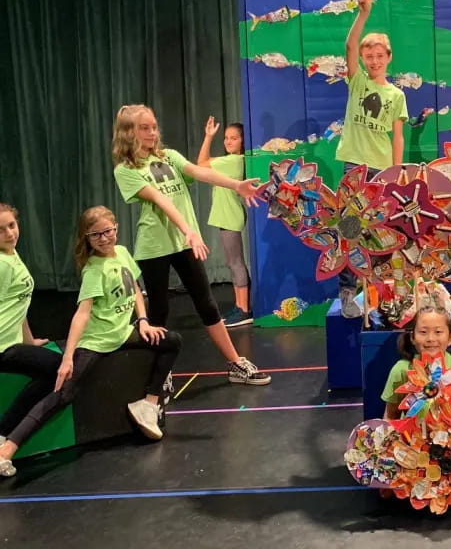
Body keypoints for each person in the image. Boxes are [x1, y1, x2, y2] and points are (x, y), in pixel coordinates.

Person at [0, 206, 183, 477]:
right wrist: (67, 357)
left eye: (108, 231)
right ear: (87, 238)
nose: (104, 238)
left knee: (172, 340)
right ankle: (7, 448)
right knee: (63, 392)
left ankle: (148, 404)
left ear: (116, 229)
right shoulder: (94, 271)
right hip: (96, 342)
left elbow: (134, 289)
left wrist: (143, 321)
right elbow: (82, 315)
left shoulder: (122, 253)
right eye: (96, 235)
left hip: (123, 332)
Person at [112, 104, 270, 385]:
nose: (151, 132)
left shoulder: (169, 156)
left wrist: (235, 185)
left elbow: (201, 172)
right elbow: (161, 200)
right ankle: (159, 372)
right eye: (143, 128)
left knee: (207, 305)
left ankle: (236, 363)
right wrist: (189, 230)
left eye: (153, 126)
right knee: (159, 310)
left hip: (186, 242)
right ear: (128, 132)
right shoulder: (125, 170)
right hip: (155, 246)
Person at [334, 0, 408, 317]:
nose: (374, 60)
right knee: (351, 227)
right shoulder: (359, 82)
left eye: (380, 55)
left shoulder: (396, 95)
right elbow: (349, 44)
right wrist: (363, 13)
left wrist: (396, 172)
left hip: (383, 171)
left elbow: (397, 136)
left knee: (381, 231)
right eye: (369, 56)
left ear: (389, 58)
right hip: (355, 166)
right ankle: (349, 292)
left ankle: (378, 289)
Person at [381, 305, 451, 492]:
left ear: (450, 337)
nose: (431, 339)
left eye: (438, 332)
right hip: (413, 442)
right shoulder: (400, 369)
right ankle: (395, 480)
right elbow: (390, 414)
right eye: (423, 332)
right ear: (412, 337)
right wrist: (387, 447)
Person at [0, 202, 59, 477]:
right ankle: (3, 435)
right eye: (0, 230)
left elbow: (19, 304)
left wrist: (30, 340)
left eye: (11, 225)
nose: (9, 233)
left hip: (11, 342)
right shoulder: (1, 263)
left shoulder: (11, 254)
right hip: (1, 347)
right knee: (57, 369)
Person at [197, 116, 251, 328]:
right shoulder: (228, 161)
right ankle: (240, 305)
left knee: (235, 262)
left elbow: (200, 164)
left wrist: (208, 137)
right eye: (226, 138)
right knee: (231, 262)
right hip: (226, 215)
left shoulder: (233, 161)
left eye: (234, 138)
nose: (228, 142)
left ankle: (245, 309)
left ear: (242, 142)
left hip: (230, 215)